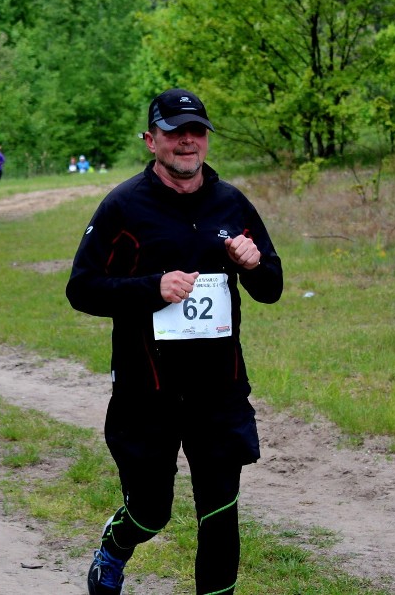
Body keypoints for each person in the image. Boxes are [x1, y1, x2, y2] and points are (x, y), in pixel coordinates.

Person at [66, 88, 283, 595]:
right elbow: (82, 288)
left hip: (219, 390)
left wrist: (254, 264)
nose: (187, 141)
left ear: (207, 140)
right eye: (174, 131)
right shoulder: (123, 206)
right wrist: (151, 288)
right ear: (151, 141)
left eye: (197, 131)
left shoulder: (232, 202)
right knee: (150, 510)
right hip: (148, 391)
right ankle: (115, 548)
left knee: (220, 515)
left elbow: (270, 287)